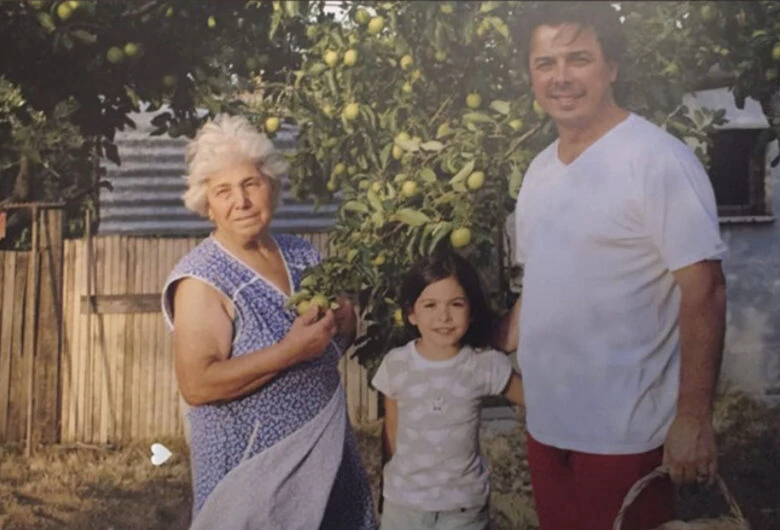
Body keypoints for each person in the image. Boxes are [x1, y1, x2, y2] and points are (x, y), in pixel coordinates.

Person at [495, 3, 729, 530]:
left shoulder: (656, 160)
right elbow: (544, 286)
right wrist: (472, 336)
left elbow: (705, 292)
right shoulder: (539, 171)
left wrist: (693, 419)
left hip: (626, 436)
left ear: (612, 67)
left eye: (578, 58)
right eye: (544, 62)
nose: (560, 78)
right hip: (548, 426)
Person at [161, 114, 376, 529]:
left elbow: (322, 351)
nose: (240, 201)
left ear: (272, 189)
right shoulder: (202, 278)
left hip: (327, 459)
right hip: (255, 477)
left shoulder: (303, 255)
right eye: (223, 191)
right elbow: (197, 384)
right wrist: (289, 352)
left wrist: (344, 325)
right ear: (207, 205)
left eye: (251, 184)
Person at [372, 250, 525, 530]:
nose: (443, 316)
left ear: (472, 310)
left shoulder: (484, 363)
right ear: (411, 314)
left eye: (456, 304)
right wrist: (387, 490)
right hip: (404, 506)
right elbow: (391, 434)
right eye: (430, 305)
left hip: (462, 509)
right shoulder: (396, 364)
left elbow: (537, 400)